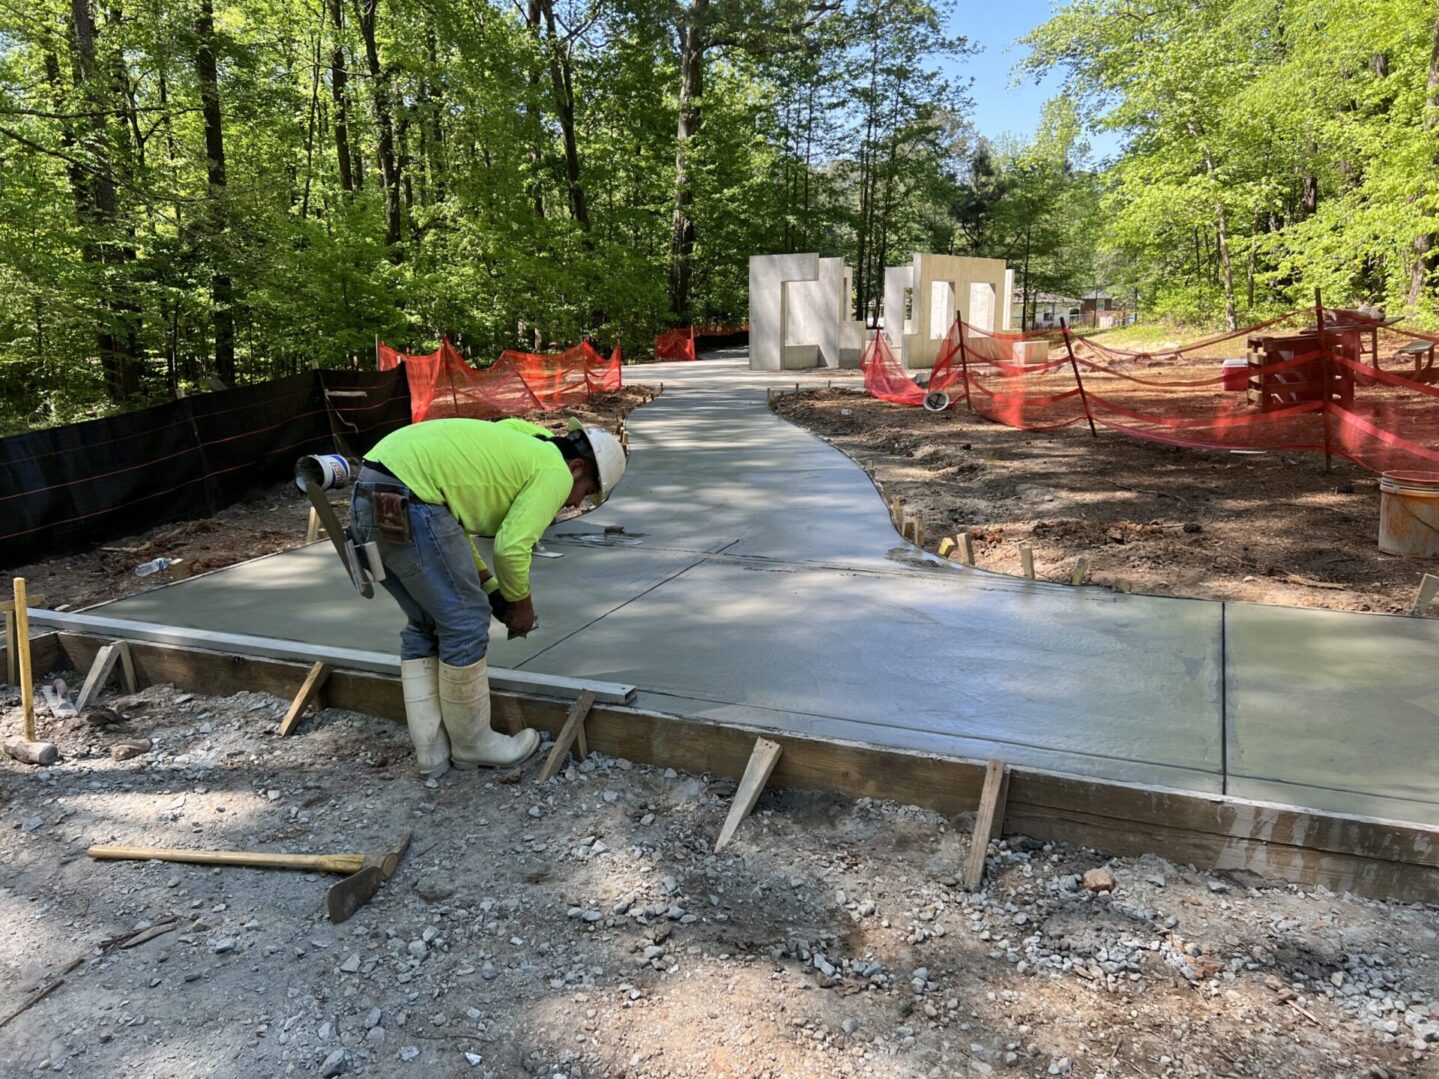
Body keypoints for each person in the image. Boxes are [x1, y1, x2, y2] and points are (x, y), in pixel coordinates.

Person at [347, 416, 627, 777]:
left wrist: (492, 590)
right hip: (413, 500)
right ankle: (473, 745)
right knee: (464, 624)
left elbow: (451, 525)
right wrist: (521, 605)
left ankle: (431, 754)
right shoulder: (554, 471)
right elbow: (511, 549)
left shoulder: (514, 449)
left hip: (371, 490)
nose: (575, 505)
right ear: (576, 468)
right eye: (585, 493)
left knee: (426, 621)